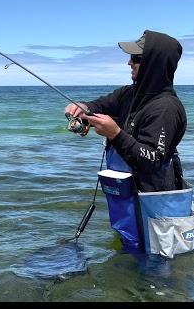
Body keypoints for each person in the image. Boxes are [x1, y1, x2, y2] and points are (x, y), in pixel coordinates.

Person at [64, 29, 187, 192]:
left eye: (136, 58)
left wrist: (115, 134)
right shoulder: (127, 94)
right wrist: (83, 108)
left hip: (157, 205)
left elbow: (153, 161)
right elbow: (99, 106)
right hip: (124, 201)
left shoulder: (166, 108)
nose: (129, 63)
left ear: (153, 63)